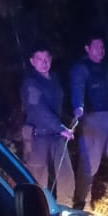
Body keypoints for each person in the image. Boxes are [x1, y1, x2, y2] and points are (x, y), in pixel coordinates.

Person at [69, 36, 108, 208]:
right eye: (96, 47)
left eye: (102, 47)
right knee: (90, 162)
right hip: (92, 117)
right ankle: (83, 201)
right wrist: (78, 107)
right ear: (87, 48)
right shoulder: (81, 68)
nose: (100, 50)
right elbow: (77, 89)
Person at [19, 47, 74, 203]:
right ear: (32, 61)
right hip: (38, 136)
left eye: (47, 59)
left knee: (66, 175)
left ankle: (66, 209)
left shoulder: (54, 79)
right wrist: (61, 128)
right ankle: (39, 212)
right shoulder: (31, 83)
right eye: (39, 59)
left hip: (56, 135)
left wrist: (65, 124)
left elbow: (57, 107)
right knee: (38, 179)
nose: (44, 63)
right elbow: (38, 110)